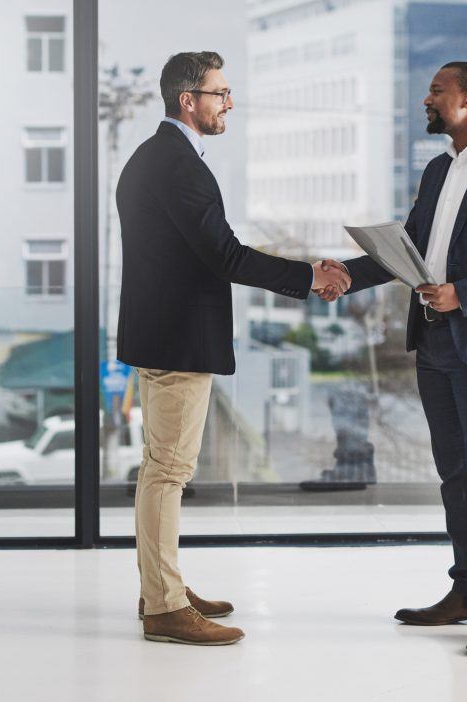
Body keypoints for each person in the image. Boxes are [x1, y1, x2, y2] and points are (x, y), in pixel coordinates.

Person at [319, 62, 467, 655]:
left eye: (438, 92)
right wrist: (348, 274)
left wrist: (464, 293)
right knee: (456, 476)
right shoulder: (437, 169)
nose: (427, 100)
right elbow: (412, 251)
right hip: (435, 343)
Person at [116, 51, 350, 646]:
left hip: (164, 332)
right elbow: (225, 255)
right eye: (220, 94)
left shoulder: (158, 158)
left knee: (160, 469)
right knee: (168, 471)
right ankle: (165, 606)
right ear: (188, 100)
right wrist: (307, 277)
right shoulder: (178, 165)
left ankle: (160, 586)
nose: (230, 104)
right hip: (177, 340)